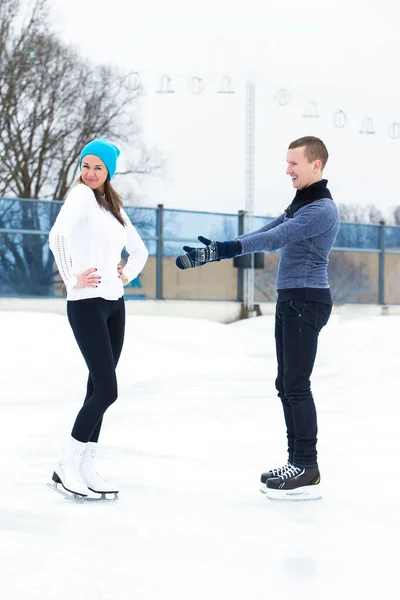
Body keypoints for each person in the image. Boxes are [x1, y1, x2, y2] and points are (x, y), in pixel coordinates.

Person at [175, 136, 340, 500]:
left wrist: (228, 249)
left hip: (306, 301)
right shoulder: (302, 203)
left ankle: (307, 466)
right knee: (286, 383)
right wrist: (219, 250)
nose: (287, 170)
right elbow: (267, 229)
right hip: (292, 300)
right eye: (287, 163)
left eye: (294, 164)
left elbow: (278, 237)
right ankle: (296, 460)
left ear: (316, 165)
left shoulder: (321, 209)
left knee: (297, 385)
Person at [49, 138, 149, 498]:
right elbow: (57, 235)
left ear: (109, 172)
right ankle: (66, 465)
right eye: (86, 165)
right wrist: (70, 275)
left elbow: (140, 249)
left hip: (113, 304)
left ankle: (86, 466)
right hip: (86, 302)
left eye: (98, 168)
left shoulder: (113, 206)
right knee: (107, 390)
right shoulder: (80, 196)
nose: (90, 173)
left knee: (97, 388)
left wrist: (125, 271)